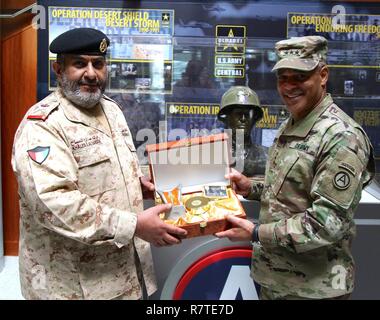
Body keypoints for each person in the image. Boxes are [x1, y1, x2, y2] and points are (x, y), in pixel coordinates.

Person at [11, 28, 187, 300]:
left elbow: (106, 170)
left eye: (98, 64)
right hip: (72, 287)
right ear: (59, 69)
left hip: (124, 278)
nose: (91, 73)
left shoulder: (110, 109)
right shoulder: (43, 126)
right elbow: (52, 203)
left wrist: (137, 185)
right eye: (79, 63)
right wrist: (135, 225)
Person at [216, 36, 375, 300]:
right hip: (277, 281)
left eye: (299, 77)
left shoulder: (341, 136)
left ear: (322, 75)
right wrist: (250, 187)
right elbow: (291, 188)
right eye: (282, 78)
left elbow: (326, 224)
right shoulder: (294, 123)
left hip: (314, 289)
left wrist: (255, 232)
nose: (288, 87)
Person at [218, 86, 268, 177]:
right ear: (227, 118)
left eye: (248, 114)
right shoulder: (214, 155)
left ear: (255, 119)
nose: (243, 119)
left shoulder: (267, 156)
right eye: (238, 114)